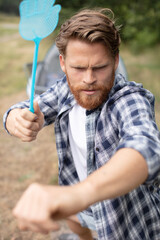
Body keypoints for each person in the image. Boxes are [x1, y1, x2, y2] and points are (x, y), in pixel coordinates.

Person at [3, 8, 160, 240]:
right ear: (63, 63)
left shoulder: (129, 99)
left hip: (124, 219)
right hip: (81, 206)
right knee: (75, 221)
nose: (88, 79)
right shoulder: (65, 89)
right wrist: (13, 118)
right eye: (78, 68)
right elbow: (29, 107)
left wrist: (77, 195)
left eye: (99, 67)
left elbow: (146, 149)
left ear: (116, 61)